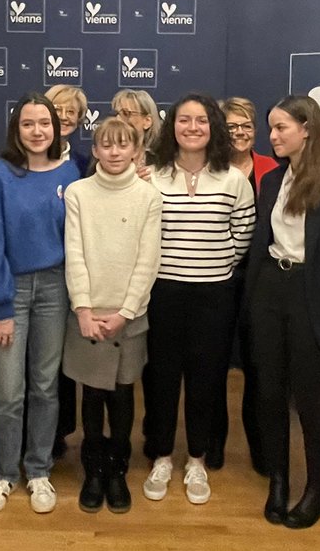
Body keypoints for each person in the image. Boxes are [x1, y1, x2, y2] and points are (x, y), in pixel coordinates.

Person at [246, 95, 320, 529]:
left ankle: (315, 488)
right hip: (273, 286)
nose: (272, 136)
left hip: (312, 293)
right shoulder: (273, 179)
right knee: (270, 390)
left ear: (307, 128)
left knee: (310, 395)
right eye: (270, 128)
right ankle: (278, 480)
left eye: (281, 128)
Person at [0, 94, 81, 515]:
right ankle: (4, 474)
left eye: (45, 124)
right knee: (10, 393)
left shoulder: (71, 173)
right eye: (28, 124)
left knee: (46, 387)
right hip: (9, 291)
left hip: (56, 290)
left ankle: (38, 470)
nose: (37, 132)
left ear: (57, 129)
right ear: (16, 131)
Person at [142, 93, 255, 505]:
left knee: (207, 380)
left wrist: (216, 261)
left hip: (214, 294)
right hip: (163, 293)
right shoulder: (151, 176)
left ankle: (196, 460)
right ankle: (161, 457)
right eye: (184, 119)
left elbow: (243, 233)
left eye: (201, 121)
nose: (192, 127)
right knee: (161, 379)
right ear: (172, 126)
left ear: (214, 128)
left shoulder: (233, 180)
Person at [63, 117, 162, 513]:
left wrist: (126, 311)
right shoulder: (78, 192)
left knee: (122, 393)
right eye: (107, 145)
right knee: (92, 394)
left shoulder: (148, 196)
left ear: (137, 150)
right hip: (88, 313)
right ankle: (93, 468)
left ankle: (117, 468)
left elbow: (147, 259)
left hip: (128, 315)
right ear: (97, 149)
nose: (115, 152)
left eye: (124, 145)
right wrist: (83, 308)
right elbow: (75, 253)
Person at [216, 96, 280, 473]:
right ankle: (213, 444)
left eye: (246, 127)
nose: (239, 133)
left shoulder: (273, 169)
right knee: (214, 366)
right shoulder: (208, 170)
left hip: (263, 281)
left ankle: (262, 448)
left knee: (260, 368)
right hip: (219, 279)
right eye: (231, 127)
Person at [43, 83, 89, 458]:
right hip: (41, 271)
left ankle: (61, 429)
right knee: (41, 358)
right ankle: (42, 433)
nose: (64, 116)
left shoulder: (88, 162)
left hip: (77, 271)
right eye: (58, 108)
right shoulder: (23, 160)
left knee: (67, 356)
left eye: (72, 111)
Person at [45, 83, 91, 176]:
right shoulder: (28, 160)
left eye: (70, 111)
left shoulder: (84, 166)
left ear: (79, 118)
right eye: (57, 110)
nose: (63, 117)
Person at [112, 89, 160, 163]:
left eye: (126, 113)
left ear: (147, 121)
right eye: (116, 114)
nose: (118, 119)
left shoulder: (161, 163)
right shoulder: (102, 159)